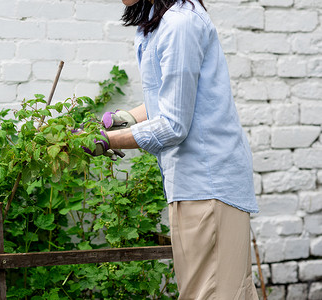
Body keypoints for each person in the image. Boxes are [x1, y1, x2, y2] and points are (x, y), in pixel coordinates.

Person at [89, 0, 260, 299]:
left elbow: (172, 124)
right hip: (191, 184)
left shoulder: (180, 25)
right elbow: (168, 101)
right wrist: (121, 119)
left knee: (212, 293)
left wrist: (107, 141)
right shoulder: (158, 25)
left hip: (209, 185)